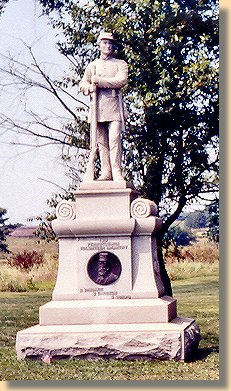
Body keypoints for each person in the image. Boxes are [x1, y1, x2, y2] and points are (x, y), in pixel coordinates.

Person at [79, 32, 128, 181]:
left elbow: (121, 81)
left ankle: (116, 172)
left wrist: (99, 81)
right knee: (101, 143)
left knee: (114, 140)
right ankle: (106, 172)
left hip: (114, 106)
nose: (107, 46)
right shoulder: (92, 66)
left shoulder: (120, 64)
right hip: (97, 107)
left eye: (110, 43)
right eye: (104, 43)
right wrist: (88, 87)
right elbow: (82, 83)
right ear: (99, 45)